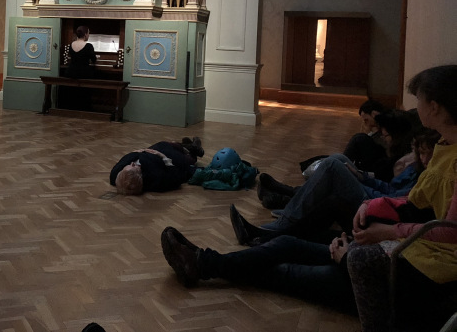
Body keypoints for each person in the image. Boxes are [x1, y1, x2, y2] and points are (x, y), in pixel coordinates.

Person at [346, 65, 457, 332]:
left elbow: (450, 232)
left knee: (360, 257)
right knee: (363, 226)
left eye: (418, 100)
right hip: (433, 235)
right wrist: (371, 205)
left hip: (448, 252)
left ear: (434, 107)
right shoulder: (445, 144)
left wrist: (389, 231)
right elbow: (416, 200)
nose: (415, 106)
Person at [237, 128, 439, 246]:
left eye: (429, 154)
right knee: (338, 159)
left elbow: (394, 200)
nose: (425, 159)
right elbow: (388, 187)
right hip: (379, 198)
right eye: (421, 153)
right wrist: (361, 176)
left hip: (376, 209)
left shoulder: (430, 178)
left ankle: (286, 217)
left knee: (332, 166)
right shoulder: (417, 169)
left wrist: (360, 182)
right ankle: (292, 201)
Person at [160, 226, 357, 312]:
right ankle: (203, 262)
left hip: (367, 283)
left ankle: (202, 263)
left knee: (283, 270)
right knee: (287, 244)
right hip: (361, 256)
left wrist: (348, 258)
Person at [110, 138, 204, 195]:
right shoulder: (156, 179)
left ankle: (187, 146)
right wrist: (162, 157)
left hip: (153, 150)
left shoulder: (116, 175)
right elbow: (176, 177)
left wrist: (138, 151)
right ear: (139, 176)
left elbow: (124, 160)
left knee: (168, 144)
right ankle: (193, 150)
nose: (132, 163)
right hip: (170, 159)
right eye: (134, 167)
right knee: (187, 160)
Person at [342, 99, 389, 172]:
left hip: (385, 160)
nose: (366, 124)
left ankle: (341, 166)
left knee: (359, 138)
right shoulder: (376, 129)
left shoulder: (387, 125)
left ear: (374, 114)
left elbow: (387, 145)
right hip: (379, 158)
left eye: (366, 120)